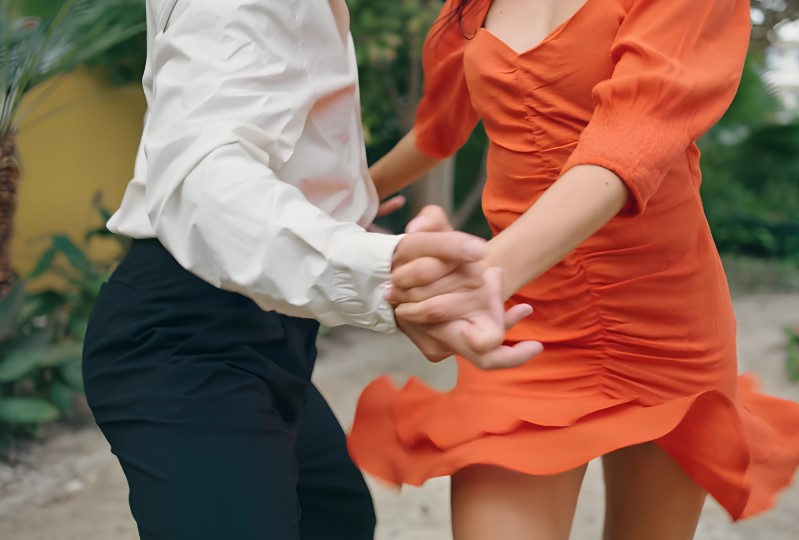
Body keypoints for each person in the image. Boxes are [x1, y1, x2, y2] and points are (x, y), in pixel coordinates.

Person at [347, 0, 799, 538]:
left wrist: (486, 276)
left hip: (659, 316)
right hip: (529, 319)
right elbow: (436, 132)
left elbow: (628, 145)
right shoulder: (467, 8)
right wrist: (349, 201)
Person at [81, 1, 543, 539]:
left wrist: (343, 215)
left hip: (261, 326)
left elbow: (252, 135)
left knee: (336, 516)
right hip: (186, 339)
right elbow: (203, 187)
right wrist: (381, 273)